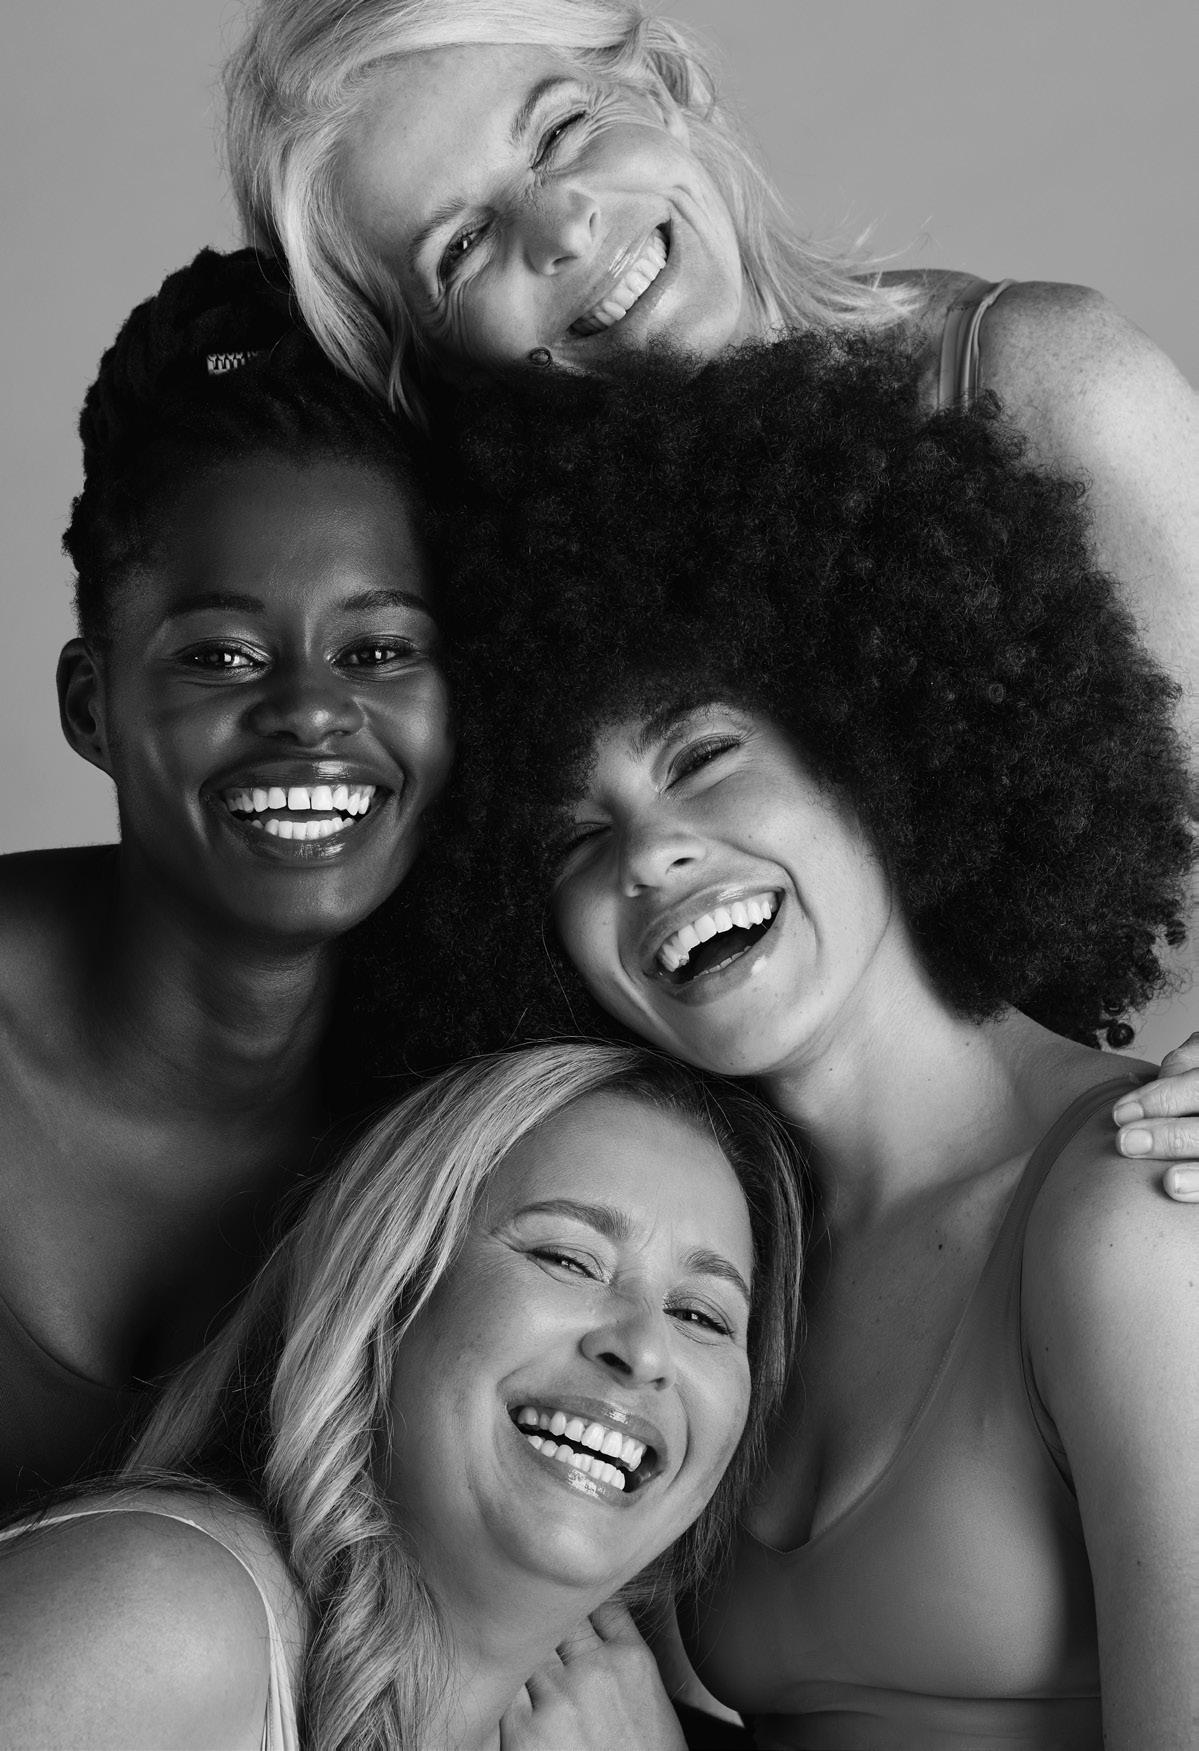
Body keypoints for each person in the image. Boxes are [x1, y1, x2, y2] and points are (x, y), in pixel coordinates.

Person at [382, 336, 1199, 1745]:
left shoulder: (1135, 1210)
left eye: (701, 755)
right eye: (572, 836)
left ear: (878, 735)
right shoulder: (712, 1267)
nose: (648, 853)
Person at [222, 0, 1198, 780]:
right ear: (430, 362)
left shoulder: (1053, 383)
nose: (562, 230)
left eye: (561, 129)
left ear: (664, 86)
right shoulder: (500, 632)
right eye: (463, 245)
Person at [0, 247, 452, 1511]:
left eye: (379, 649)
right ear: (91, 704)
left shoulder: (459, 1104)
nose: (310, 711)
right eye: (222, 655)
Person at [0, 1040, 804, 1751]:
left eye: (700, 1315)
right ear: (391, 1291)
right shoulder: (164, 1621)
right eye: (567, 1258)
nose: (644, 1349)